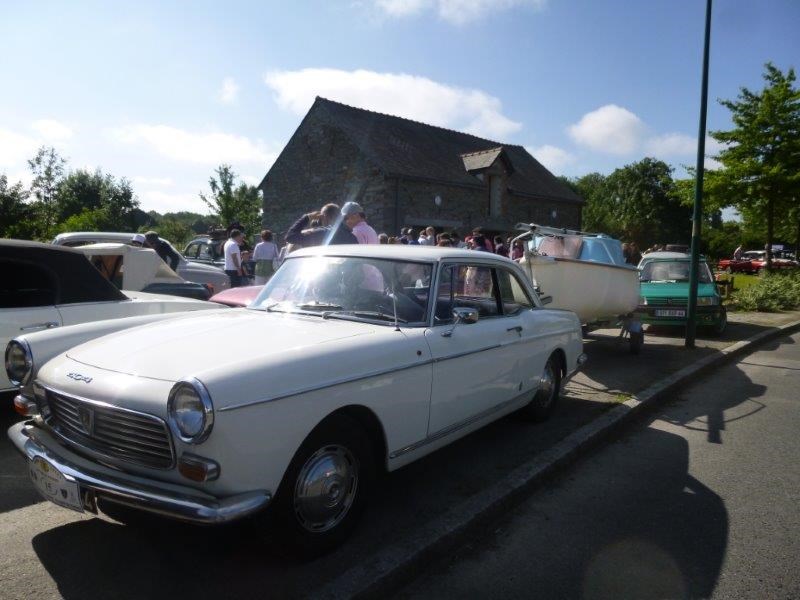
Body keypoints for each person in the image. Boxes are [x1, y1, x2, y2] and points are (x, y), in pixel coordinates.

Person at [285, 203, 357, 247]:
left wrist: (307, 217)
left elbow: (290, 236)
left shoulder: (323, 234)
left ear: (324, 216)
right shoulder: (352, 237)